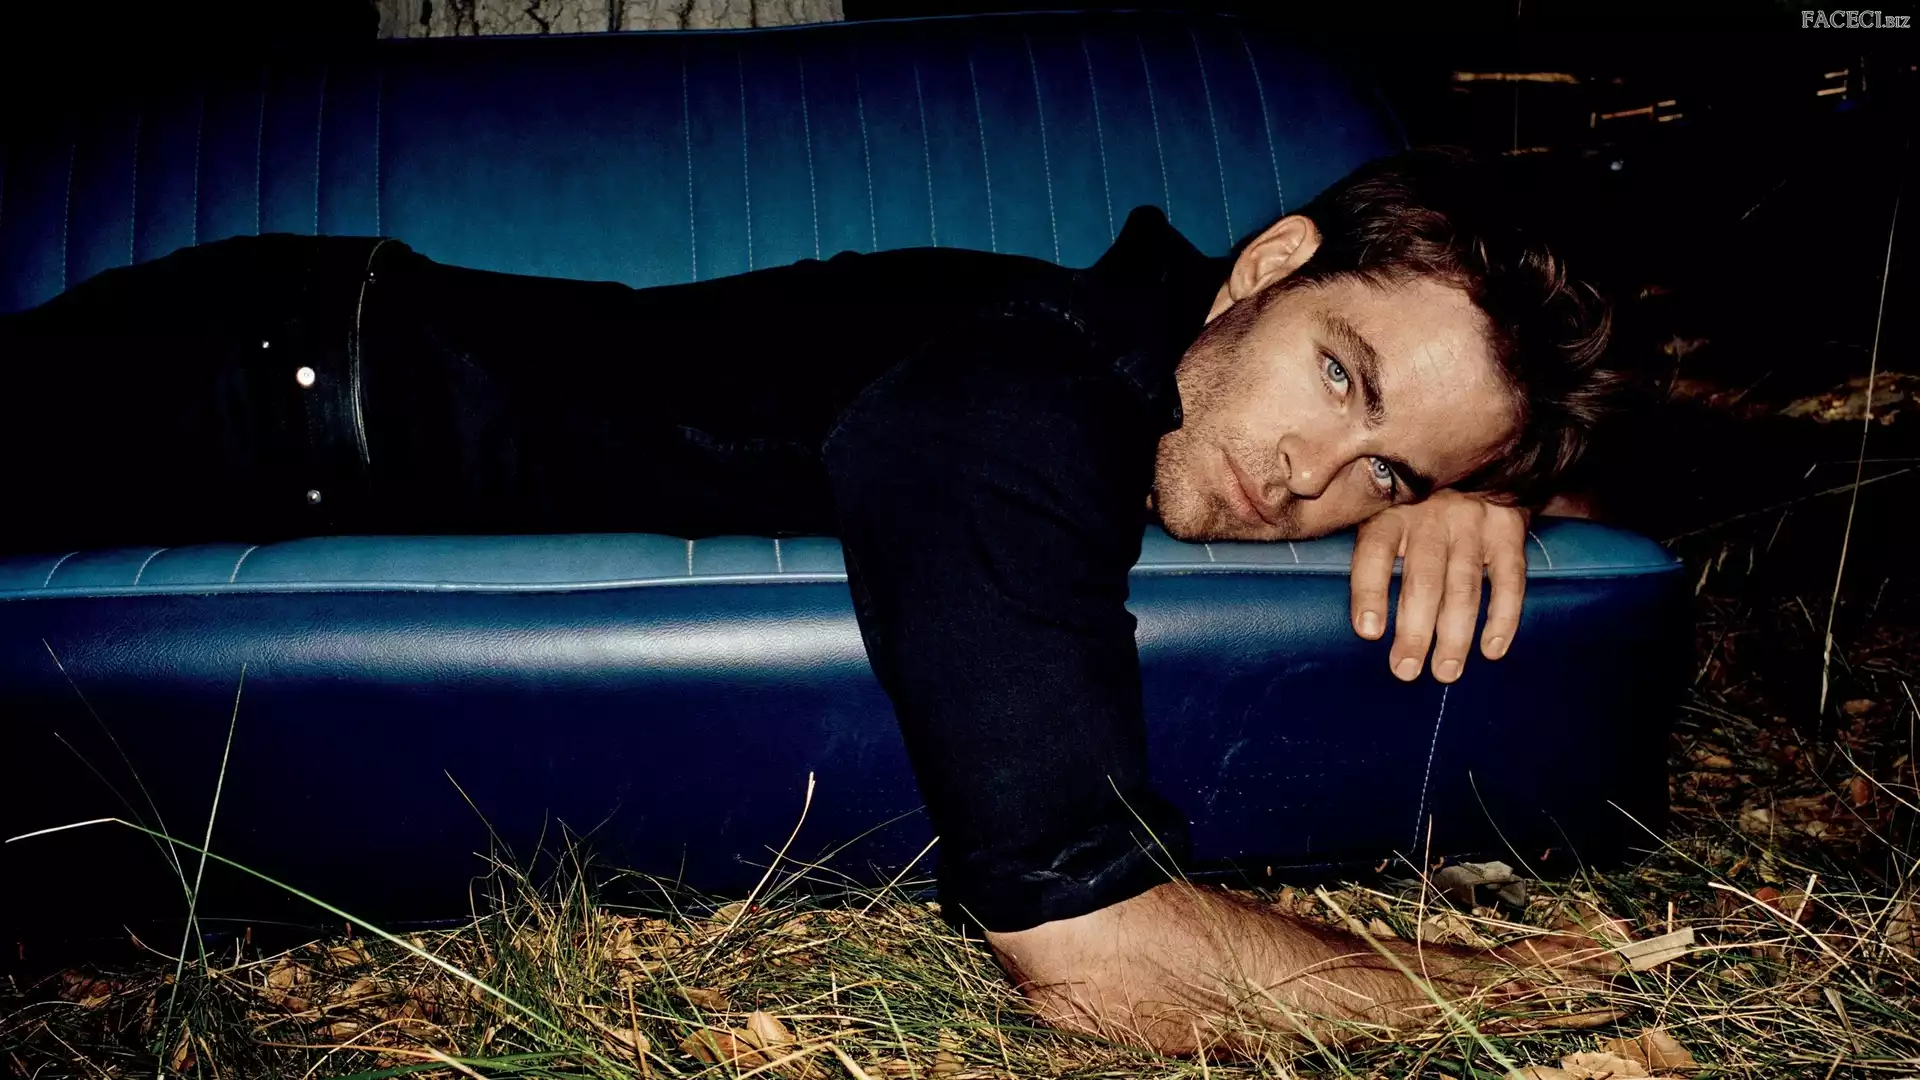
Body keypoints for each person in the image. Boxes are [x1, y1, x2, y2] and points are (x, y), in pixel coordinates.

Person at [0, 146, 1625, 1052]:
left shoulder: (1120, 373)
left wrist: (1481, 492)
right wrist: (1491, 992)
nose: (1310, 475)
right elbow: (1101, 963)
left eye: (1383, 470)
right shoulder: (1034, 394)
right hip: (252, 383)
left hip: (308, 367)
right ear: (1264, 267)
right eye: (1338, 373)